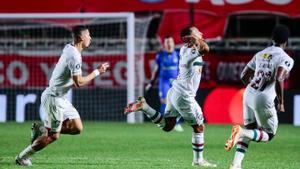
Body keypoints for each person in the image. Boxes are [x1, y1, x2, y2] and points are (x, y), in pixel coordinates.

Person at [15, 25, 109, 166]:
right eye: (88, 35)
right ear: (80, 38)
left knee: (77, 128)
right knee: (53, 136)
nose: (90, 38)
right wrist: (97, 72)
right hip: (53, 98)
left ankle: (43, 129)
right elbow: (79, 83)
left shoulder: (70, 48)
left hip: (60, 98)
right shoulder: (74, 55)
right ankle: (22, 157)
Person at [125, 26, 217, 167]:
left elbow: (201, 48)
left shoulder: (184, 49)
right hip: (184, 95)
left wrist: (194, 38)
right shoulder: (190, 51)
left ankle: (145, 107)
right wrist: (196, 39)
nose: (201, 33)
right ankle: (198, 160)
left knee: (168, 126)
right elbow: (206, 49)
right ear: (190, 37)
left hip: (175, 92)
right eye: (197, 32)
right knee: (199, 127)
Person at [225, 25, 294, 169]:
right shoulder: (286, 58)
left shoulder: (260, 53)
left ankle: (236, 164)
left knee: (251, 131)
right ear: (286, 41)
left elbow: (244, 75)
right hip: (264, 99)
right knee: (269, 134)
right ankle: (240, 132)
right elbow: (280, 77)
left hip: (248, 94)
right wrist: (281, 102)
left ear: (272, 38)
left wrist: (254, 88)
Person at [146, 36, 184, 132]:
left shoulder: (178, 55)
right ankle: (165, 122)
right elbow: (156, 70)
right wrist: (151, 82)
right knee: (164, 101)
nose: (169, 44)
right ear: (164, 45)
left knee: (177, 102)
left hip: (175, 82)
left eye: (170, 42)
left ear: (173, 43)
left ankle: (177, 124)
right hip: (164, 81)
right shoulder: (160, 55)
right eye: (167, 42)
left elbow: (183, 70)